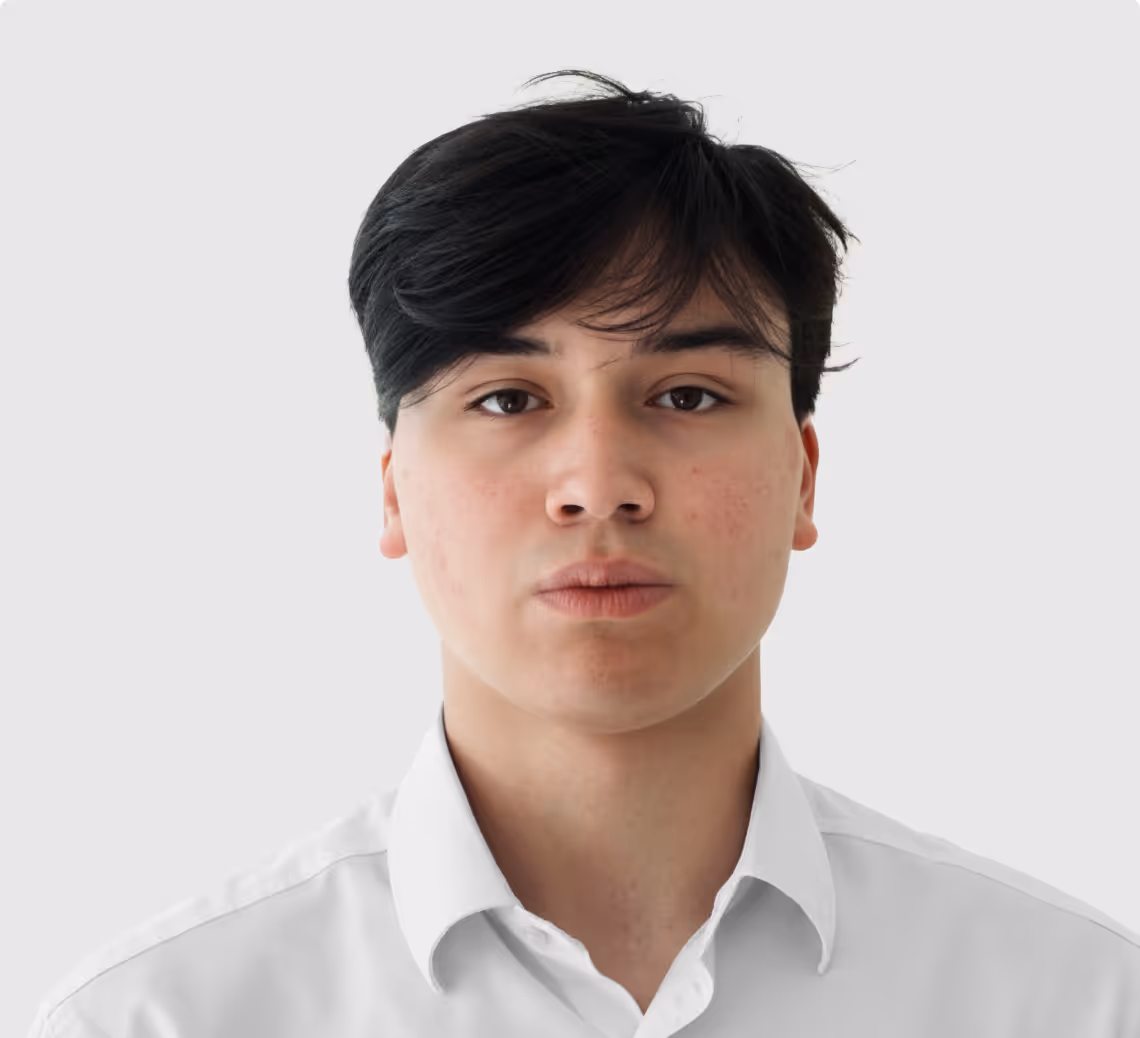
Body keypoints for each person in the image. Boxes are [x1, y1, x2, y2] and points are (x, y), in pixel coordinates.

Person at [28, 69, 1140, 1038]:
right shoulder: (161, 1020)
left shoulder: (1073, 1004)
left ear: (803, 476)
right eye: (509, 399)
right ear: (394, 488)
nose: (600, 485)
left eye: (688, 394)